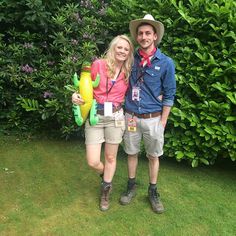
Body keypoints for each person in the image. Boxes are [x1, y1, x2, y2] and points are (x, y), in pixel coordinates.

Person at [119, 14, 176, 214]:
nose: (143, 37)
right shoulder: (129, 58)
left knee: (153, 156)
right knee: (131, 153)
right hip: (132, 116)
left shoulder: (166, 63)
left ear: (154, 36)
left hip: (153, 119)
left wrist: (163, 122)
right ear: (137, 36)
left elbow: (169, 94)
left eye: (147, 33)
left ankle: (153, 191)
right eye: (140, 33)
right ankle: (131, 185)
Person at [72, 35, 134, 211]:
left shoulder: (129, 71)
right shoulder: (98, 64)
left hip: (115, 117)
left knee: (111, 157)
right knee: (92, 161)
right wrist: (75, 95)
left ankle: (106, 189)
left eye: (126, 49)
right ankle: (105, 174)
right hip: (95, 116)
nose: (122, 51)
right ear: (113, 47)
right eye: (119, 47)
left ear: (129, 53)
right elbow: (84, 86)